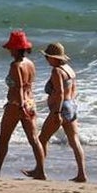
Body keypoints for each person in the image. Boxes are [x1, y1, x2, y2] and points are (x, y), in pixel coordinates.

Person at [0, 30, 46, 179]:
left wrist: (20, 105)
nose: (9, 50)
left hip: (17, 104)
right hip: (31, 103)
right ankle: (41, 171)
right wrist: (26, 104)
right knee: (34, 139)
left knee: (4, 138)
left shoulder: (16, 65)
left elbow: (19, 87)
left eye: (11, 47)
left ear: (17, 48)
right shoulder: (30, 64)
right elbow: (28, 85)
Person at [38, 42, 88, 183]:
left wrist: (57, 112)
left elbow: (59, 93)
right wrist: (68, 104)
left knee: (42, 139)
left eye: (47, 57)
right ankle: (82, 174)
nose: (46, 59)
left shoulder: (57, 71)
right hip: (71, 105)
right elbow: (74, 90)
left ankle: (39, 171)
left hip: (61, 108)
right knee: (74, 141)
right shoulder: (69, 70)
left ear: (54, 58)